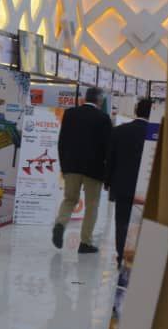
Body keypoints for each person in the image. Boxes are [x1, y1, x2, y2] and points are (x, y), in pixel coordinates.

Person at [52, 86, 112, 253]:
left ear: (85, 98)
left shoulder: (70, 114)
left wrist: (64, 167)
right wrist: (107, 173)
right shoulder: (103, 118)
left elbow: (62, 141)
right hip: (94, 169)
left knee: (69, 199)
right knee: (92, 205)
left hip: (71, 166)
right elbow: (108, 148)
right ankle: (85, 242)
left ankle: (60, 224)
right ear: (99, 100)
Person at [105, 98, 152, 268]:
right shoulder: (155, 134)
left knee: (122, 222)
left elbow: (110, 159)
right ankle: (142, 258)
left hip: (122, 185)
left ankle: (121, 257)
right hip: (147, 188)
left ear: (136, 110)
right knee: (145, 223)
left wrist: (108, 182)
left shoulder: (119, 131)